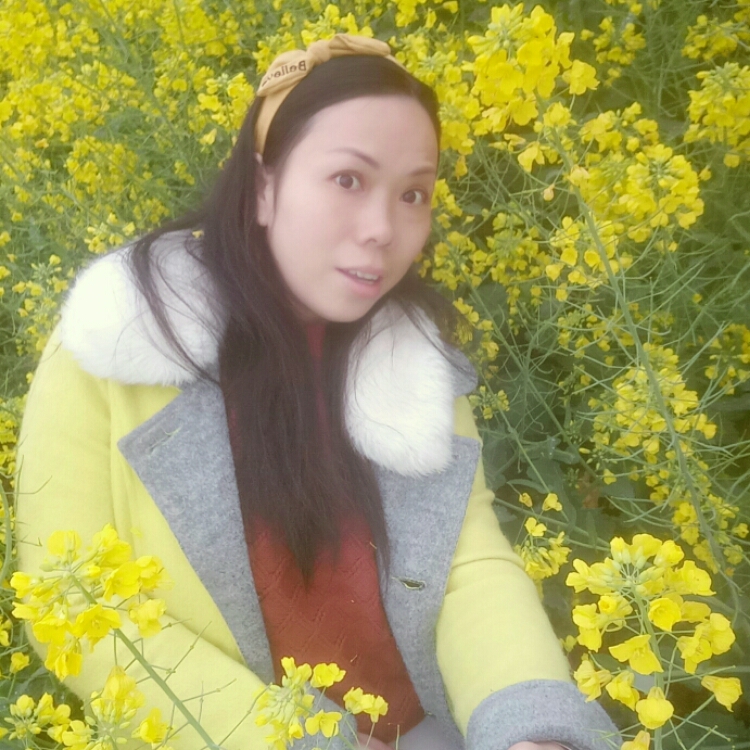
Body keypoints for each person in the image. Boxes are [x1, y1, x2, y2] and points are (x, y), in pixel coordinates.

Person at [15, 34, 618, 750]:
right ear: (263, 187)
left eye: (413, 194)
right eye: (348, 180)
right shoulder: (115, 346)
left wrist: (531, 727)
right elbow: (72, 604)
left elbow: (469, 567)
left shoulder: (413, 362)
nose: (383, 230)